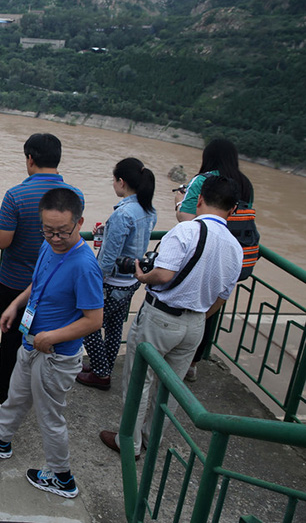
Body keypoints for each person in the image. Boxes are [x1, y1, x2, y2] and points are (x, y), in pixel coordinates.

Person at [0, 188, 103, 499]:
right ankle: (0, 441)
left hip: (56, 356)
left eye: (62, 232)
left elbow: (95, 320)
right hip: (31, 344)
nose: (55, 237)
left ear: (79, 222)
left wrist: (52, 336)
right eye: (48, 230)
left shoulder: (84, 265)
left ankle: (62, 477)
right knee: (14, 397)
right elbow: (37, 283)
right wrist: (14, 304)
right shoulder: (48, 246)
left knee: (50, 418)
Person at [100, 175, 243, 460]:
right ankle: (152, 440)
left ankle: (129, 441)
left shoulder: (186, 231)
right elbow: (222, 297)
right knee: (171, 388)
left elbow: (163, 274)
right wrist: (199, 316)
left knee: (140, 381)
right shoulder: (235, 247)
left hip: (161, 318)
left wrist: (142, 276)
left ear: (199, 199)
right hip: (196, 324)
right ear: (233, 209)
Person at [0, 133, 84, 407]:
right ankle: (37, 391)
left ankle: (5, 393)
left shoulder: (16, 194)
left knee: (11, 338)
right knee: (45, 337)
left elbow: (3, 240)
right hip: (57, 283)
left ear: (30, 159)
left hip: (15, 282)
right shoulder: (74, 196)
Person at [175, 138, 254, 382]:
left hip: (202, 251)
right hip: (230, 254)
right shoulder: (245, 184)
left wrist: (179, 200)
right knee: (210, 306)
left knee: (185, 302)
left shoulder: (205, 180)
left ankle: (172, 357)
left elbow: (186, 217)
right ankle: (193, 363)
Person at [77, 158, 157, 391]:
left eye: (113, 180)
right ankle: (104, 366)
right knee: (113, 325)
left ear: (121, 182)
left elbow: (108, 258)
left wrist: (94, 281)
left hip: (112, 282)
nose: (113, 184)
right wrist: (106, 231)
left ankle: (101, 374)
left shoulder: (123, 214)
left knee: (86, 322)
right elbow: (131, 242)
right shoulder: (147, 210)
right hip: (131, 280)